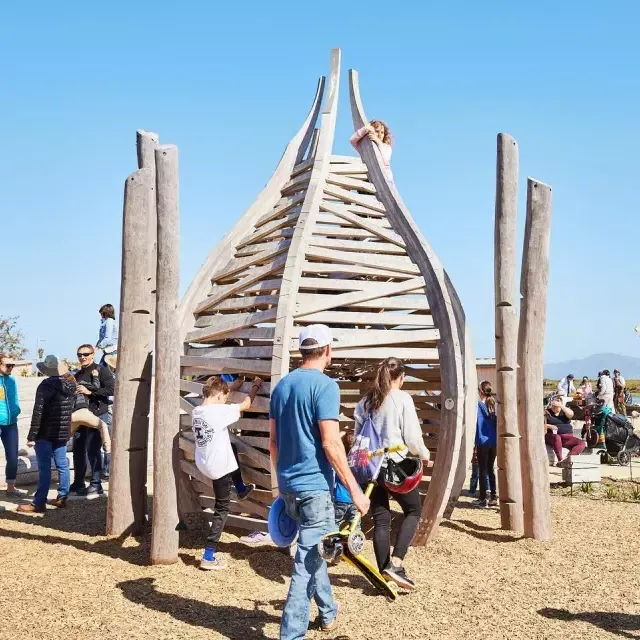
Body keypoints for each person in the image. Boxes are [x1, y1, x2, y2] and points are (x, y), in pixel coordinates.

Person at [269, 324, 369, 639]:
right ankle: (291, 635)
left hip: (289, 488)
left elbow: (273, 444)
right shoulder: (326, 386)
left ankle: (327, 612)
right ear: (327, 351)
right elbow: (330, 444)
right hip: (315, 489)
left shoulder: (282, 387)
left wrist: (280, 483)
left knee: (314, 554)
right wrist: (354, 490)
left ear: (303, 351)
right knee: (304, 565)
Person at [354, 357, 430, 590]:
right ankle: (395, 562)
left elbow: (357, 434)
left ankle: (383, 574)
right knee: (414, 510)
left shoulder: (365, 400)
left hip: (368, 467)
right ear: (401, 378)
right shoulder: (401, 398)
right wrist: (424, 454)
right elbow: (413, 437)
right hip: (392, 465)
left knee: (381, 519)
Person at [192, 375, 262, 570]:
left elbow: (218, 396)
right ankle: (208, 555)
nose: (226, 398)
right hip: (218, 468)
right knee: (221, 509)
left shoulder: (198, 410)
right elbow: (246, 405)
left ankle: (240, 488)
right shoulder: (219, 412)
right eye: (225, 396)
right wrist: (255, 386)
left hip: (204, 462)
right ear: (220, 396)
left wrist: (233, 386)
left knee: (230, 445)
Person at [17, 355, 76, 513]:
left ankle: (39, 502)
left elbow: (38, 412)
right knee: (63, 466)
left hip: (45, 433)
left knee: (44, 469)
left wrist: (31, 436)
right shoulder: (70, 385)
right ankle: (62, 497)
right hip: (62, 433)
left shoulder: (45, 385)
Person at [69, 344, 114, 497]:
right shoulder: (78, 373)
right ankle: (79, 481)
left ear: (93, 354)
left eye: (86, 354)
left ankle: (96, 484)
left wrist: (90, 392)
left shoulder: (102, 370)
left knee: (93, 449)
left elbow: (112, 389)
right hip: (80, 416)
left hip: (97, 415)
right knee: (78, 449)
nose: (82, 357)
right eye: (79, 354)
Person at [0, 353, 26, 498]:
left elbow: (15, 397)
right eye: (7, 365)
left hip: (11, 424)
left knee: (12, 456)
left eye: (12, 365)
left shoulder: (12, 381)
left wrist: (17, 410)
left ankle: (10, 488)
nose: (11, 368)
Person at [472, 381, 498, 508]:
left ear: (480, 392)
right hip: (493, 442)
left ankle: (483, 499)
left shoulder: (477, 406)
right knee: (490, 469)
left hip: (482, 441)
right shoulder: (494, 405)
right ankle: (493, 496)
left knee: (482, 470)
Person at [544, 397, 585, 467]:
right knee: (557, 437)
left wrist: (561, 406)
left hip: (568, 438)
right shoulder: (547, 412)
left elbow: (571, 414)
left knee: (581, 443)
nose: (554, 408)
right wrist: (548, 426)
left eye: (556, 406)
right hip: (553, 436)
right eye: (553, 406)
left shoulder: (565, 412)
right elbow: (540, 424)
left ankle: (568, 459)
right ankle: (560, 460)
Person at [333, 431, 358, 527]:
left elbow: (333, 445)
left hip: (340, 498)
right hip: (355, 498)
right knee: (355, 525)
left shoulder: (339, 461)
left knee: (335, 523)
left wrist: (340, 435)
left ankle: (334, 541)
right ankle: (353, 541)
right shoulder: (358, 463)